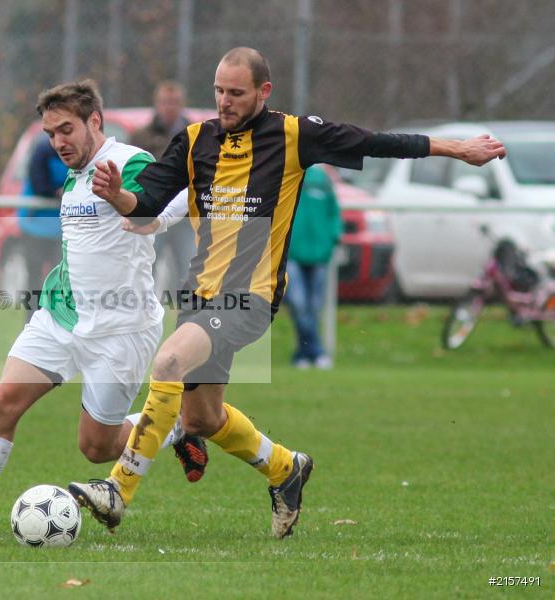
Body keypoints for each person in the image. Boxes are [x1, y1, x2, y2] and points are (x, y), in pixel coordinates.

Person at [68, 46, 506, 539]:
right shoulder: (193, 140)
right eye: (218, 92)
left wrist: (457, 149)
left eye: (236, 93)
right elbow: (144, 207)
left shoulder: (295, 135)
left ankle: (116, 490)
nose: (225, 102)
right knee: (202, 417)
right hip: (198, 296)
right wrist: (117, 196)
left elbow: (379, 141)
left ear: (263, 91)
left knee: (168, 364)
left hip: (251, 295)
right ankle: (285, 468)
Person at [0, 79, 196, 536]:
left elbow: (177, 198)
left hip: (121, 328)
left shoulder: (129, 161)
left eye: (66, 129)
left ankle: (175, 427)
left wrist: (136, 209)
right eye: (50, 133)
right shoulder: (73, 170)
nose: (58, 141)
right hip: (59, 314)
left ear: (94, 121)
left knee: (96, 447)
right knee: (2, 401)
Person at [130, 81, 197, 297]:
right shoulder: (142, 136)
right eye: (166, 102)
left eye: (175, 102)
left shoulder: (196, 135)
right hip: (152, 214)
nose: (170, 107)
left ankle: (190, 322)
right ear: (157, 104)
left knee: (189, 270)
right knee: (146, 268)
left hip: (185, 215)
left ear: (182, 104)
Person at [286, 166, 342, 369]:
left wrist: (332, 238)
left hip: (319, 253)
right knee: (299, 304)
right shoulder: (285, 173)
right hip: (291, 252)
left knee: (314, 306)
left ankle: (303, 353)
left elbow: (333, 211)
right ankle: (317, 351)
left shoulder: (320, 178)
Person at [16, 133, 67, 320]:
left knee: (60, 280)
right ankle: (31, 322)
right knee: (35, 278)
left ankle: (55, 321)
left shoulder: (81, 152)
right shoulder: (41, 149)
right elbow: (39, 184)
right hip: (35, 225)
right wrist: (59, 192)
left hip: (63, 228)